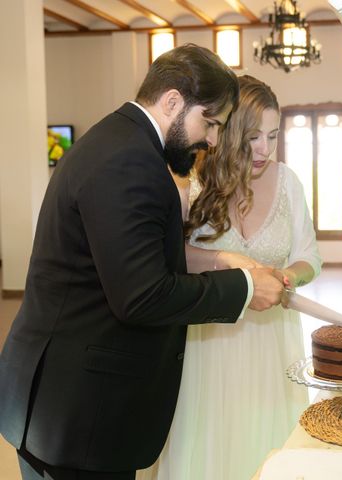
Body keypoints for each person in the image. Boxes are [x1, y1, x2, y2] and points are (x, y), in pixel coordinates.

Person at [0, 45, 285, 480]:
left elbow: (135, 253)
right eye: (208, 122)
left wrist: (217, 258)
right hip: (75, 411)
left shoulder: (119, 141)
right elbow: (142, 295)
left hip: (67, 400)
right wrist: (245, 287)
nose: (211, 139)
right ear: (172, 101)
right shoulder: (129, 161)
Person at [138, 76, 322, 480]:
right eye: (254, 136)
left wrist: (287, 275)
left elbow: (310, 255)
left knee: (269, 445)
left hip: (272, 344)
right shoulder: (193, 183)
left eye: (273, 136)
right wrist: (230, 262)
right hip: (212, 341)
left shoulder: (288, 182)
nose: (265, 149)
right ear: (229, 131)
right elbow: (173, 255)